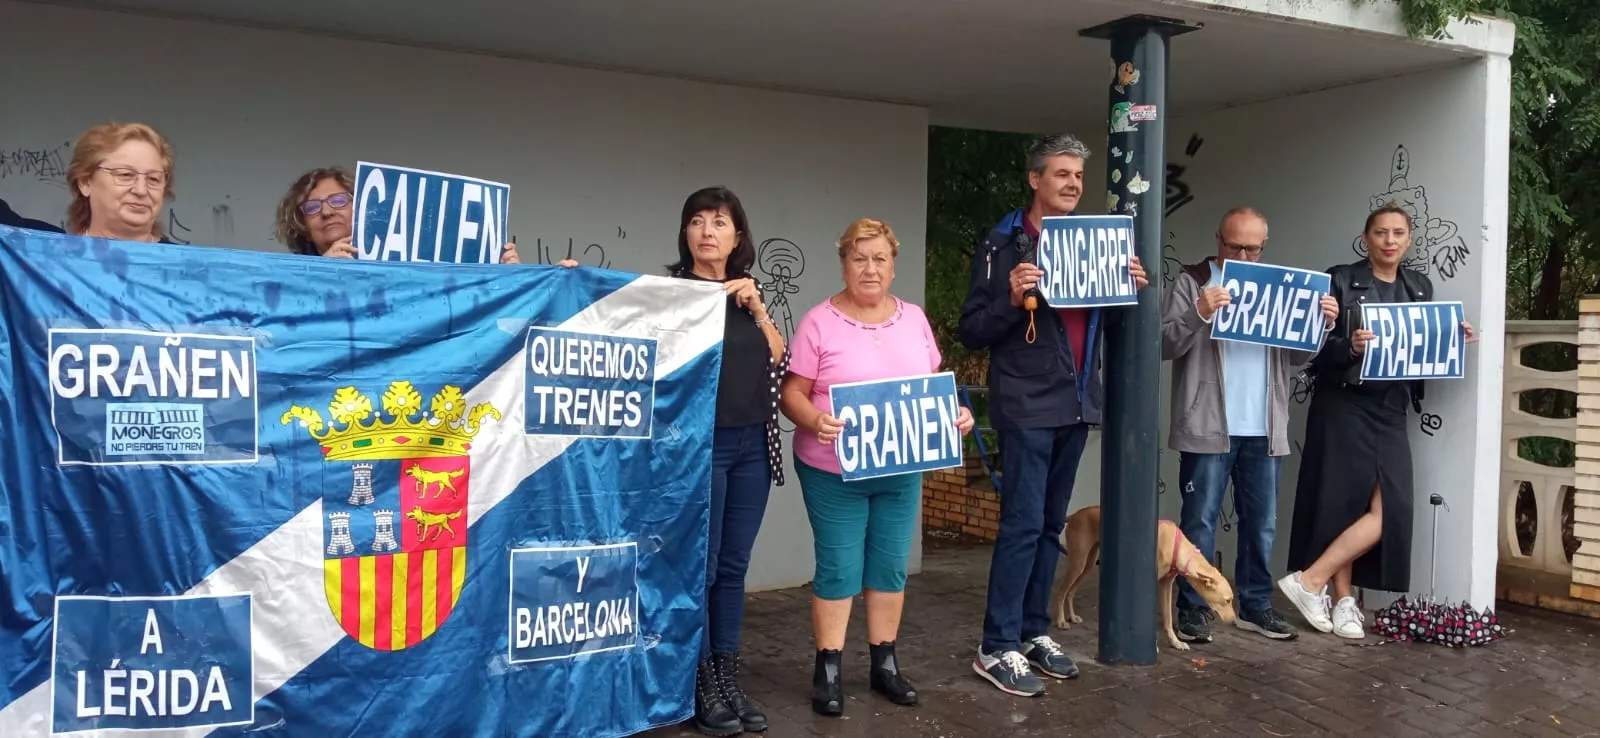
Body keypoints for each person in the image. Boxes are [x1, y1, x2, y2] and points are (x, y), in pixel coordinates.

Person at [958, 133, 1148, 697]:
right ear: (1035, 179)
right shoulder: (1001, 243)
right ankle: (996, 645)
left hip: (1075, 403)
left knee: (1048, 525)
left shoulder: (1095, 245)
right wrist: (1010, 299)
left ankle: (1033, 631)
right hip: (1025, 404)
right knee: (1021, 524)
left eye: (1079, 176)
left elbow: (1109, 327)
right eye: (1061, 173)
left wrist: (1130, 287)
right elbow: (972, 330)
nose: (1072, 184)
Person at [781, 217, 975, 716]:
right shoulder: (818, 322)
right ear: (844, 264)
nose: (870, 269)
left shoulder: (914, 319)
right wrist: (814, 419)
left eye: (879, 259)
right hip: (833, 470)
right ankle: (828, 668)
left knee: (889, 565)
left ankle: (884, 663)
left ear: (892, 266)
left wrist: (955, 413)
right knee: (840, 566)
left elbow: (932, 386)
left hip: (900, 469)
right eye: (859, 258)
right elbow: (792, 393)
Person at [1279, 204, 1477, 639]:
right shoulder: (1340, 279)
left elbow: (1419, 342)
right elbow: (1312, 348)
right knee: (1342, 503)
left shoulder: (1419, 287)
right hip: (1344, 403)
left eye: (1398, 233)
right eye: (1381, 232)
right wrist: (1349, 346)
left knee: (1392, 510)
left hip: (1390, 407)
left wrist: (1451, 338)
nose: (1390, 241)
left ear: (1409, 240)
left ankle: (1309, 581)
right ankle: (1344, 602)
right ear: (1366, 238)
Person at [1160, 207, 1338, 644]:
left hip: (1264, 425)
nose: (1242, 255)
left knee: (1261, 524)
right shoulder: (1193, 280)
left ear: (1264, 246)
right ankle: (1193, 607)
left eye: (1252, 249)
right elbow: (1163, 343)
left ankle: (1256, 606)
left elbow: (1297, 359)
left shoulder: (1279, 286)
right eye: (1234, 246)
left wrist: (1321, 326)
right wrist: (1199, 312)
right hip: (1208, 423)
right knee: (1199, 522)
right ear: (1218, 239)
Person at [667, 186, 788, 736]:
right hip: (702, 448)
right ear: (686, 234)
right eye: (697, 221)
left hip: (752, 446)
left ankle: (728, 677)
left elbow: (778, 357)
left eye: (719, 221)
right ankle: (699, 683)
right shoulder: (672, 294)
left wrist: (758, 308)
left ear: (738, 235)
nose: (707, 231)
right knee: (704, 567)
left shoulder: (746, 292)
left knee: (734, 568)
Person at [274, 166, 531, 263]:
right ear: (302, 224)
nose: (327, 212)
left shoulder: (405, 259)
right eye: (312, 207)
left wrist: (508, 279)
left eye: (338, 201)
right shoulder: (292, 281)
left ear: (362, 205)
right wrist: (321, 275)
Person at [65, 123, 176, 243]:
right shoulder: (55, 253)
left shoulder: (182, 255)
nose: (141, 190)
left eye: (153, 179)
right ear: (85, 183)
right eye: (125, 175)